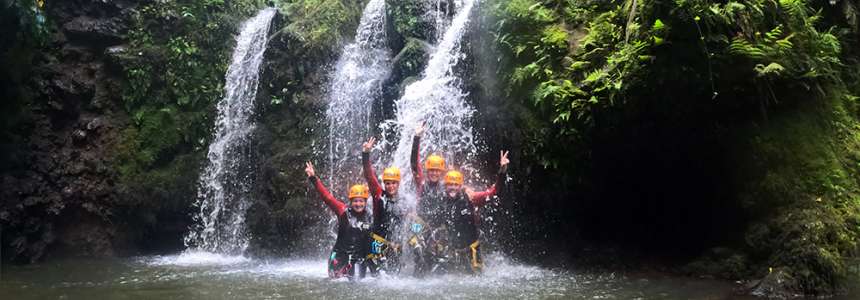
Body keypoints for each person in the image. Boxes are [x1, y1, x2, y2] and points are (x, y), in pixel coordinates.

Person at [435, 150, 510, 274]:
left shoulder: (471, 197)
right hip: (453, 251)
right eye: (450, 185)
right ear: (445, 186)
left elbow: (494, 191)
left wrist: (502, 170)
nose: (453, 187)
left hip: (472, 249)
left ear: (460, 186)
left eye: (455, 184)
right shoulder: (442, 201)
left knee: (476, 277)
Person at [304, 162, 372, 280]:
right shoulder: (343, 211)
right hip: (340, 257)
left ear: (365, 202)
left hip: (359, 259)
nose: (358, 204)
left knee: (359, 285)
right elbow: (327, 198)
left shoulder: (370, 215)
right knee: (337, 284)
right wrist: (313, 178)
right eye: (355, 201)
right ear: (351, 201)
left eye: (361, 201)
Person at [361, 137, 406, 275]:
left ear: (398, 184)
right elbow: (369, 177)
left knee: (394, 276)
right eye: (387, 183)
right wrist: (366, 154)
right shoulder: (379, 195)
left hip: (395, 245)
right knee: (379, 277)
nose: (390, 186)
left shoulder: (403, 200)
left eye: (393, 183)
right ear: (384, 184)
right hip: (377, 242)